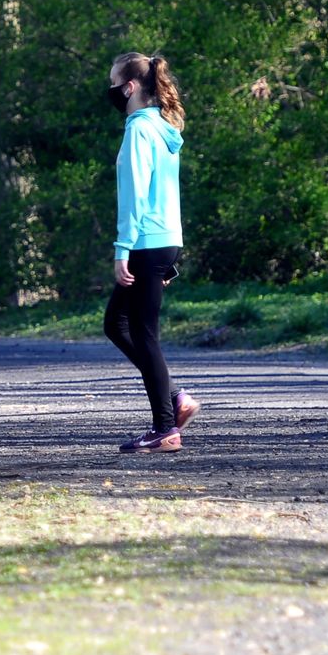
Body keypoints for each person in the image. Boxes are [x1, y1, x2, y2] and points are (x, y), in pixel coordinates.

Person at [103, 52, 201, 454]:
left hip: (145, 241)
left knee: (142, 332)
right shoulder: (161, 128)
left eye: (113, 85)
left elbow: (136, 195)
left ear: (129, 87)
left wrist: (122, 248)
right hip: (163, 239)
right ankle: (174, 401)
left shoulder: (140, 131)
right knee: (118, 324)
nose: (109, 92)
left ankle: (165, 426)